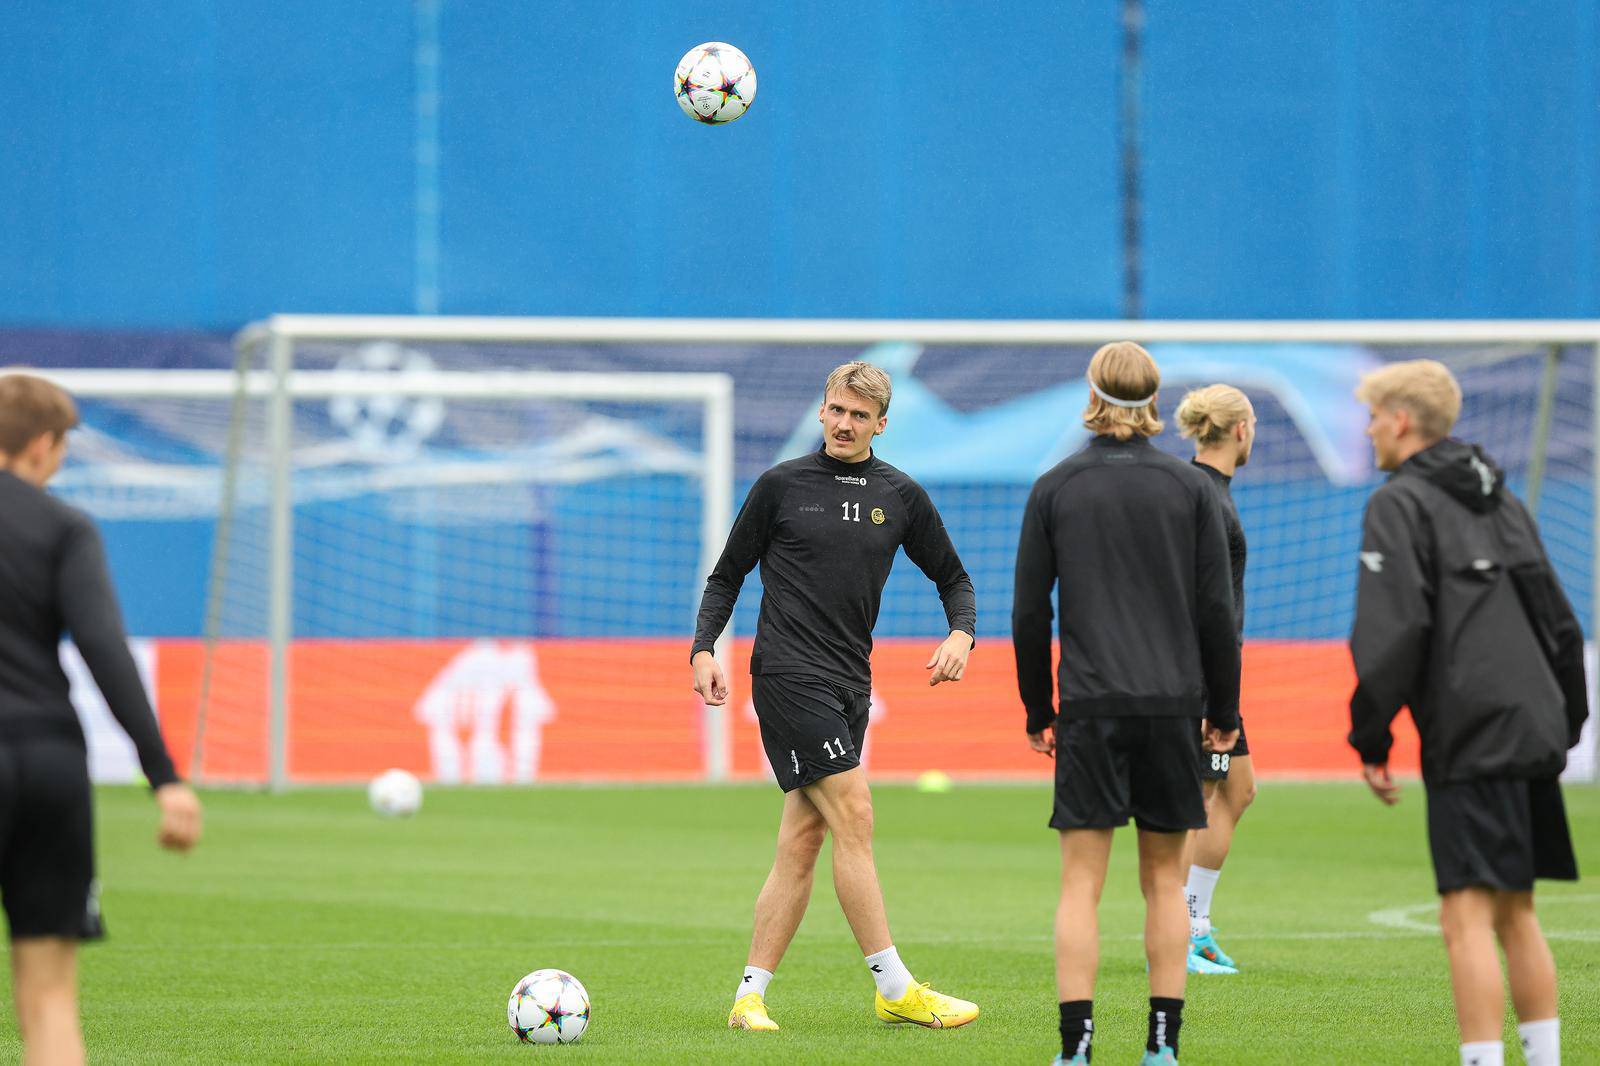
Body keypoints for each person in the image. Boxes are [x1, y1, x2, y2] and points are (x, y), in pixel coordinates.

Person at [690, 361, 980, 1032]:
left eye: (859, 414)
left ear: (881, 424)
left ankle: (749, 997)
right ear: (822, 413)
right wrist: (704, 647)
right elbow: (727, 575)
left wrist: (962, 634)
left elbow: (955, 578)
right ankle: (895, 985)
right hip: (788, 676)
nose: (845, 423)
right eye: (836, 410)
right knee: (855, 813)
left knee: (803, 839)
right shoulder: (781, 487)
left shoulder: (900, 495)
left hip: (852, 682)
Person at [1348, 359, 1585, 1066]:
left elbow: (1392, 633)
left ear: (1400, 420)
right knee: (1517, 911)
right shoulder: (1505, 502)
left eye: (1371, 416)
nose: (1366, 430)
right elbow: (1561, 625)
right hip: (1532, 722)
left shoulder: (1398, 503)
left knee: (1466, 914)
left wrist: (1370, 735)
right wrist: (1564, 722)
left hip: (1472, 727)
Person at [1013, 343, 1240, 1066]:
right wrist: (1223, 712)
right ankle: (1161, 1049)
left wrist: (1037, 710)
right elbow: (1217, 613)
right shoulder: (1191, 488)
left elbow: (1027, 614)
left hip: (1089, 704)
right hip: (1173, 706)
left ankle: (1076, 1049)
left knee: (1081, 884)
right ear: (1153, 397)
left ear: (1091, 391)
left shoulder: (1056, 486)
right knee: (1163, 885)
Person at [0, 372, 202, 1066]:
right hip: (50, 764)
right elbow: (105, 652)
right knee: (52, 999)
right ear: (40, 446)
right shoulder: (65, 527)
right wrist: (164, 777)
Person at [1173, 385, 1258, 975]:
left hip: (1211, 677)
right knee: (1197, 803)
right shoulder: (1205, 499)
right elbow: (1202, 604)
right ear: (1241, 430)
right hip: (1201, 681)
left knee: (1238, 790)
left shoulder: (1200, 491)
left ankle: (1196, 925)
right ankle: (1179, 933)